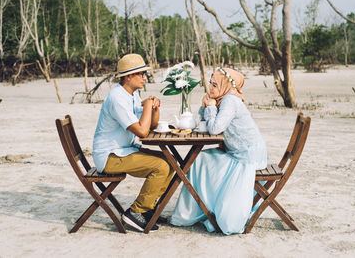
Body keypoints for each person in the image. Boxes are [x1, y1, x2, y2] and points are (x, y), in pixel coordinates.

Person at [170, 67, 268, 235]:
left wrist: (210, 107)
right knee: (200, 159)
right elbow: (206, 123)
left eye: (215, 85)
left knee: (200, 161)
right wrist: (206, 105)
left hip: (247, 156)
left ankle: (201, 208)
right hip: (236, 152)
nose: (210, 88)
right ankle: (199, 208)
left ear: (226, 86)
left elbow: (214, 129)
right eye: (210, 83)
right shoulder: (223, 99)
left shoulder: (230, 101)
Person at [92, 53, 173, 232]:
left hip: (124, 150)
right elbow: (142, 131)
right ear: (129, 76)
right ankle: (136, 212)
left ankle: (148, 210)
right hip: (110, 156)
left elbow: (150, 125)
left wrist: (154, 106)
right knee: (160, 166)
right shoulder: (117, 98)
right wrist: (146, 106)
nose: (144, 78)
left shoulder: (132, 95)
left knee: (171, 162)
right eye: (141, 74)